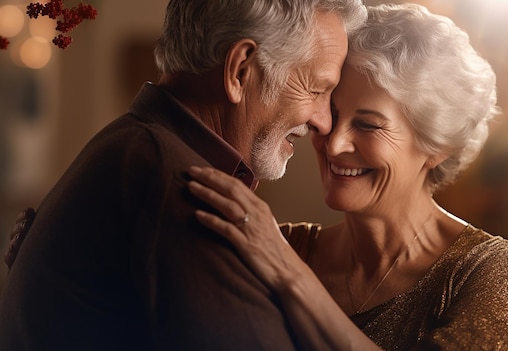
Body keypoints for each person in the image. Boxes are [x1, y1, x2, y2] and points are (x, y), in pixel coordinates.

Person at [0, 0, 366, 350]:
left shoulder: (131, 147)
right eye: (316, 89)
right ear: (240, 71)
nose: (324, 122)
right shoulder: (192, 198)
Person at [184, 3, 508, 350]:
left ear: (437, 146)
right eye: (331, 114)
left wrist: (293, 279)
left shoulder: (491, 271)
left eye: (368, 125)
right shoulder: (278, 245)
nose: (334, 143)